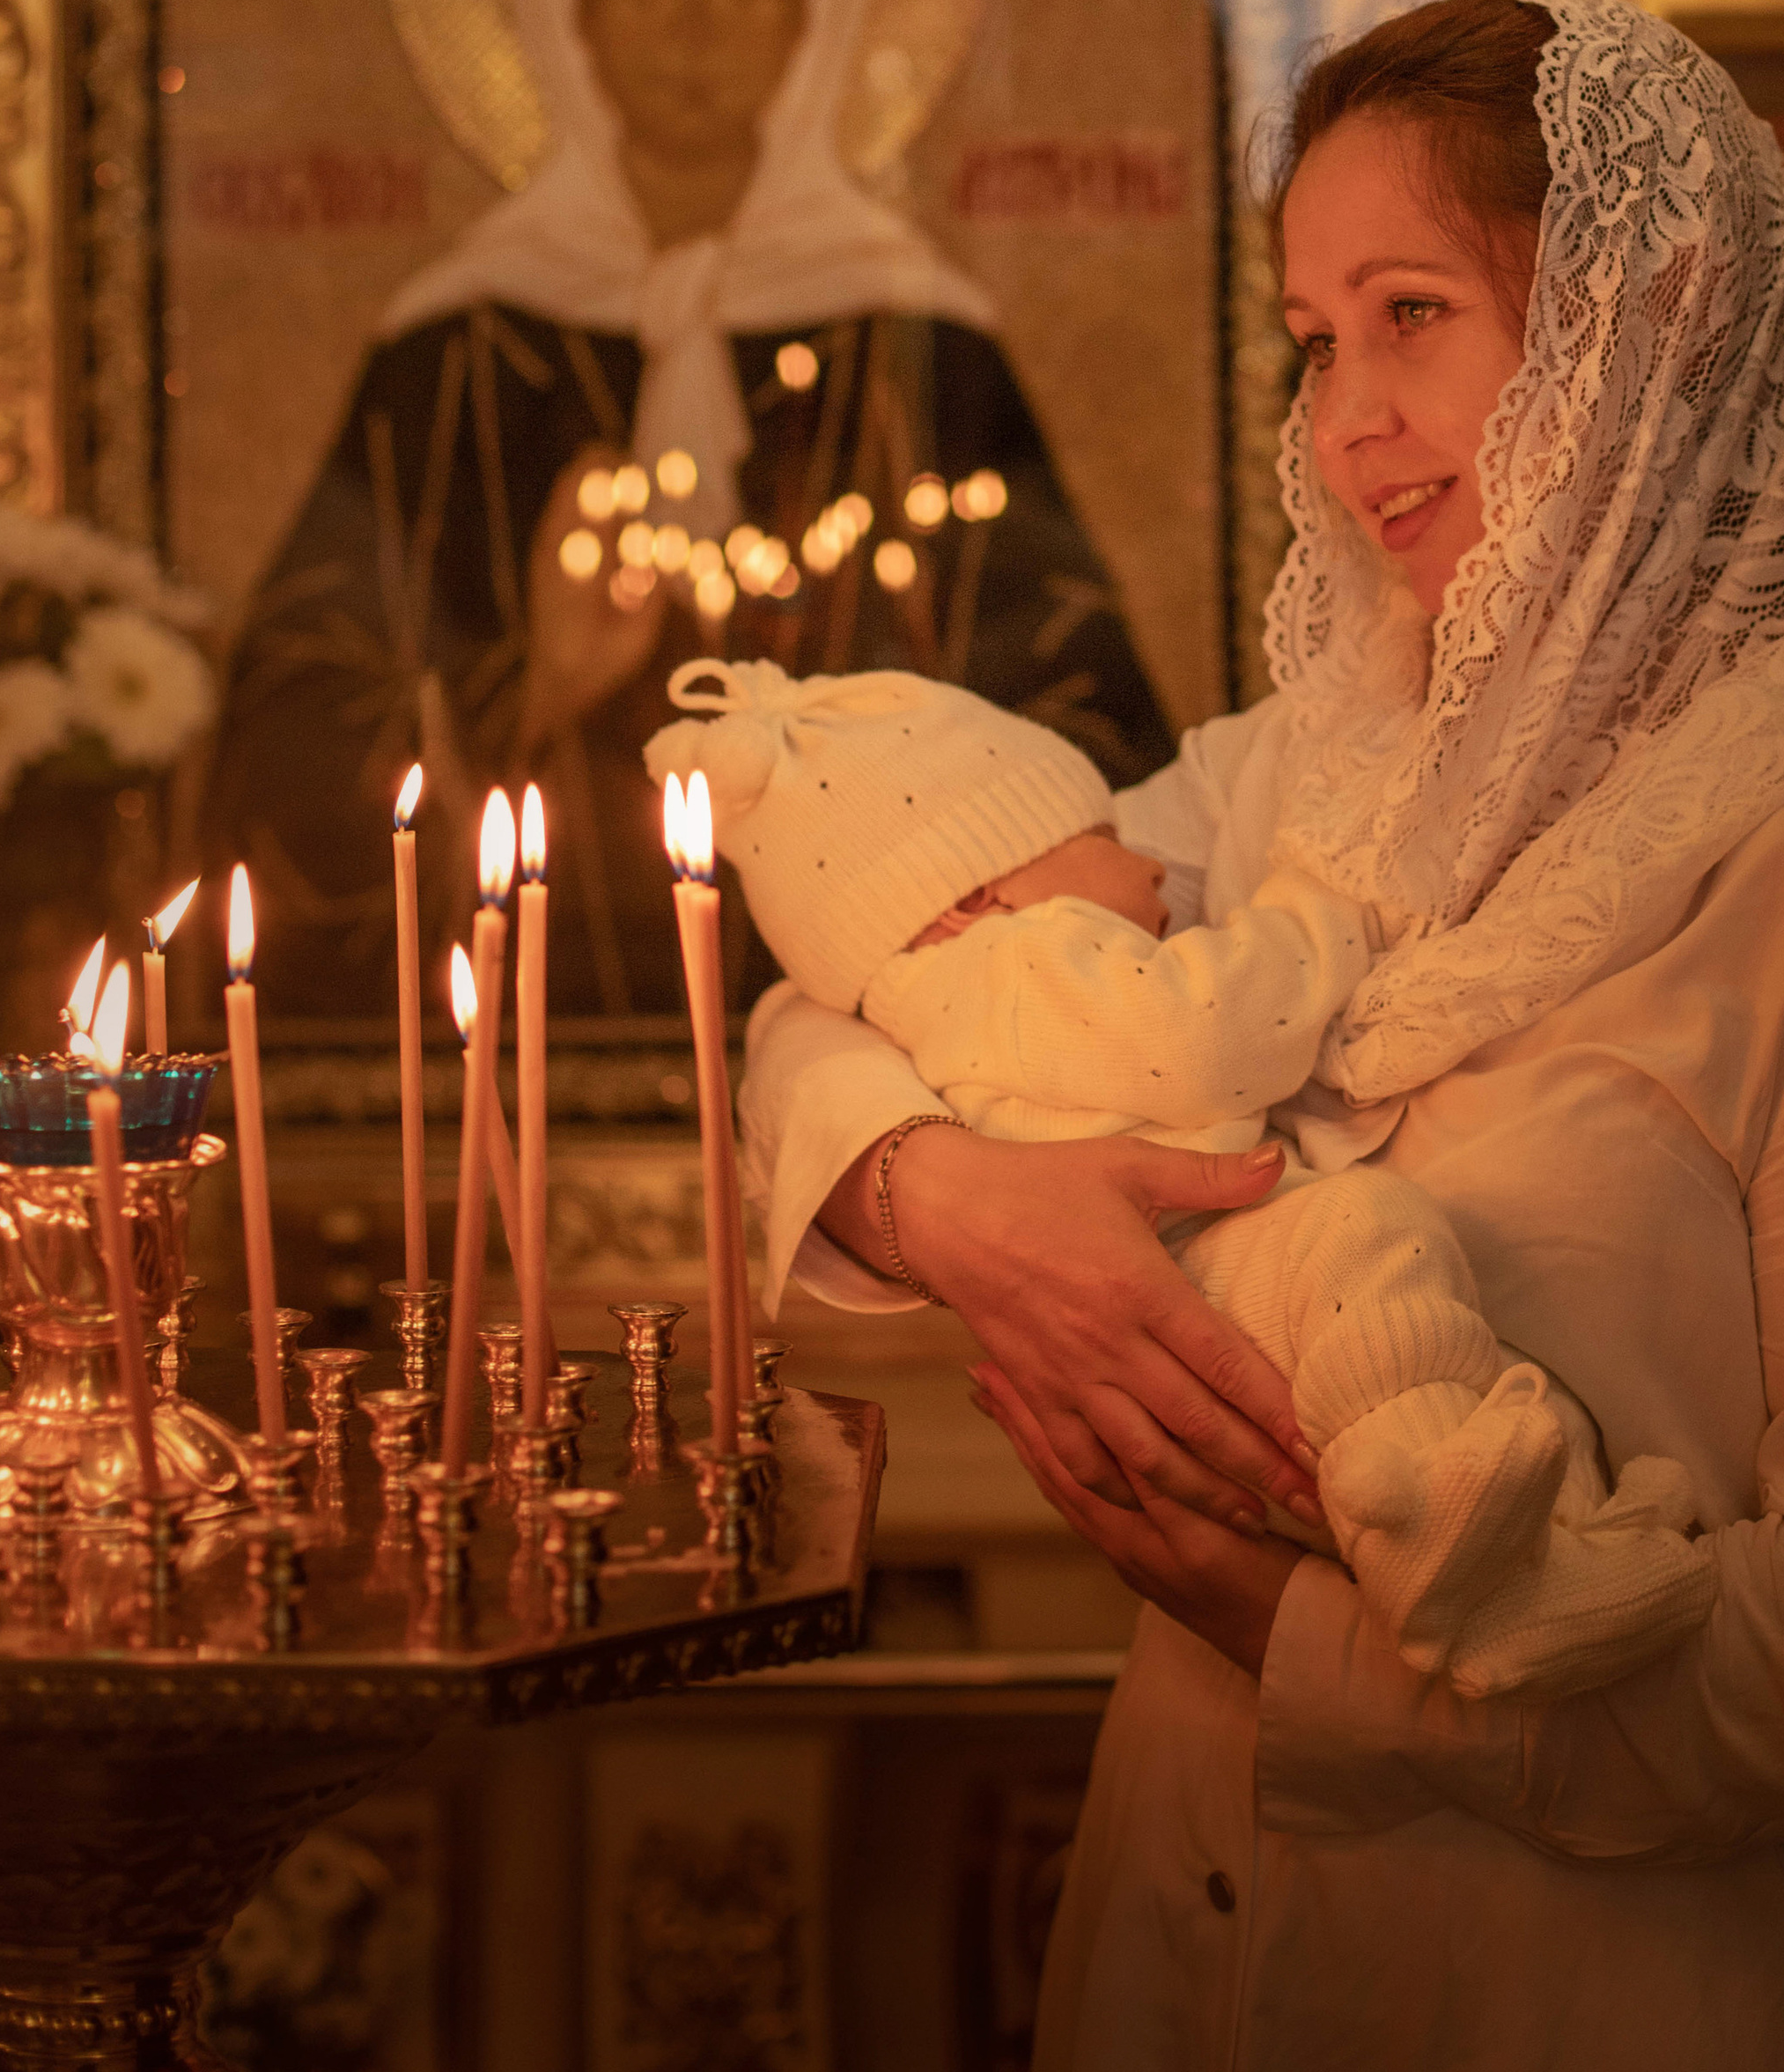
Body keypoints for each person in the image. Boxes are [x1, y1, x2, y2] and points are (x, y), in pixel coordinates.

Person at [740, 0, 1784, 2072]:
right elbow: (857, 971)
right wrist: (954, 1205)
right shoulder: (1302, 778)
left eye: (1414, 315)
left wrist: (1296, 1638)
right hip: (1189, 1972)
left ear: (1648, 321)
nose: (1350, 416)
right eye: (1311, 339)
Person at [202, 0, 1171, 1018]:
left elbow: (1077, 706)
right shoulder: (455, 348)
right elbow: (286, 738)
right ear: (572, 16)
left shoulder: (919, 339)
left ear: (814, 16)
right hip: (525, 1004)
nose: (697, 23)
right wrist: (529, 685)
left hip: (883, 1024)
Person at [661, 656, 1714, 1694]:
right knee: (1368, 1231)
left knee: (1458, 1364)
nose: (1156, 869)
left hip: (1191, 1295)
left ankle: (1556, 1552)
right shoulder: (1024, 960)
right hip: (1196, 1273)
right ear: (976, 897)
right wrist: (1322, 902)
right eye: (1107, 843)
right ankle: (1470, 1580)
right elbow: (1207, 1031)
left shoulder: (933, 986)